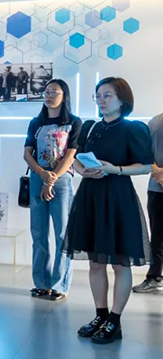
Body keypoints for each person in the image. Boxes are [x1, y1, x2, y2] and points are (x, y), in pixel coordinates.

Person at [63, 77, 153, 344]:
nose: (101, 100)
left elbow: (146, 165)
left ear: (122, 99)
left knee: (119, 262)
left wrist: (116, 169)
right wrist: (83, 171)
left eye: (107, 95)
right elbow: (75, 158)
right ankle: (100, 315)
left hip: (117, 197)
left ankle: (115, 320)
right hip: (90, 196)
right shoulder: (90, 126)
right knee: (95, 261)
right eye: (98, 95)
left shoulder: (133, 128)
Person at [23, 79, 82, 300]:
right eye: (46, 92)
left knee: (62, 233)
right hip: (38, 177)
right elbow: (27, 153)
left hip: (61, 180)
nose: (49, 96)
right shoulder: (36, 122)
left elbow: (71, 154)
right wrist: (42, 174)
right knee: (38, 233)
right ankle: (41, 282)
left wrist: (51, 179)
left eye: (54, 92)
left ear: (64, 96)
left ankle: (59, 285)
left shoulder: (74, 122)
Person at [133, 111, 163, 293]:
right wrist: (157, 172)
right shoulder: (155, 121)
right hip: (157, 189)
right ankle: (154, 277)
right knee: (157, 236)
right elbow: (145, 151)